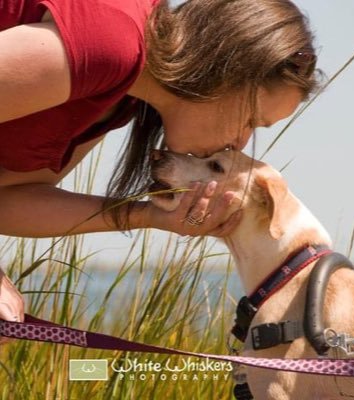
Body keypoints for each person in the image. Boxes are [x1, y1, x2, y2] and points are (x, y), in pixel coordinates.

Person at [0, 0, 319, 339]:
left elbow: (8, 200)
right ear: (226, 73)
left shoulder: (121, 97)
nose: (241, 142)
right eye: (251, 120)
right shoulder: (111, 43)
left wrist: (148, 216)